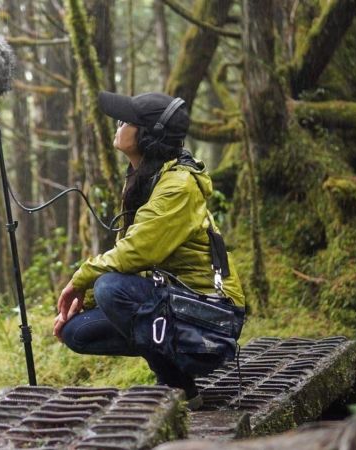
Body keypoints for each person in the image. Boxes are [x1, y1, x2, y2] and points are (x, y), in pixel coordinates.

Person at [53, 91, 245, 408]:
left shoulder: (178, 187)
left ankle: (180, 389)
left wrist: (81, 279)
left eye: (127, 120)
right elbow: (131, 260)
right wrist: (80, 303)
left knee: (111, 289)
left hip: (214, 317)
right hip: (179, 304)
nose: (118, 123)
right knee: (78, 331)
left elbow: (135, 254)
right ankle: (172, 374)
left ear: (149, 134)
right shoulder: (149, 180)